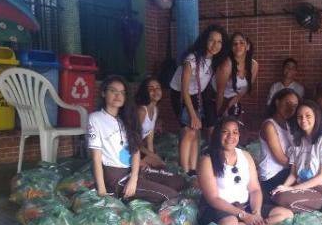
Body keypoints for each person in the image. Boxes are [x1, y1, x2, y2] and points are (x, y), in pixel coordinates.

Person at [87, 75, 184, 204]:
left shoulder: (127, 118)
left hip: (135, 171)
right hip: (117, 177)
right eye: (113, 91)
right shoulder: (96, 119)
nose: (118, 95)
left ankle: (141, 191)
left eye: (122, 92)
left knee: (179, 181)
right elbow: (96, 158)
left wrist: (134, 178)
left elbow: (135, 151)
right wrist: (102, 191)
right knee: (172, 196)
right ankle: (127, 194)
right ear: (104, 93)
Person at [198, 116, 293, 225]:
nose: (231, 136)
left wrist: (256, 213)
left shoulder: (245, 156)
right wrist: (244, 216)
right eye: (225, 132)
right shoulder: (207, 159)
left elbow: (254, 189)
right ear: (217, 134)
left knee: (286, 214)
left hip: (246, 206)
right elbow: (213, 198)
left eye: (235, 132)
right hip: (221, 209)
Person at [169, 24, 229, 175]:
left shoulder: (214, 61)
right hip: (181, 95)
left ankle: (193, 169)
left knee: (196, 132)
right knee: (189, 131)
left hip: (196, 95)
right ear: (204, 41)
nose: (215, 45)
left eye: (219, 42)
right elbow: (184, 89)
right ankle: (184, 170)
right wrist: (193, 114)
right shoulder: (192, 59)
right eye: (212, 40)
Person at [271, 100, 322, 213]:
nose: (303, 120)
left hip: (321, 190)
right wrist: (283, 187)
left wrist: (291, 189)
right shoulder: (298, 141)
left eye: (308, 116)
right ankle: (298, 209)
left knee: (282, 199)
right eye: (299, 117)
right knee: (276, 195)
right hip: (303, 188)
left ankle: (320, 208)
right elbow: (293, 174)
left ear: (316, 117)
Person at [258, 88, 299, 198]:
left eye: (294, 106)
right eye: (287, 103)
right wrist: (302, 166)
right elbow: (281, 160)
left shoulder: (288, 125)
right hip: (271, 176)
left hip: (286, 172)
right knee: (308, 179)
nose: (290, 108)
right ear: (277, 102)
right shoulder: (269, 126)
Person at [211, 32, 258, 120]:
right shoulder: (227, 65)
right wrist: (220, 114)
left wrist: (231, 103)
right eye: (235, 43)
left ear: (247, 46)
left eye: (241, 43)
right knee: (218, 126)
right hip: (214, 96)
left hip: (232, 96)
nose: (238, 46)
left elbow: (246, 87)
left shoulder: (254, 65)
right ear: (231, 48)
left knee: (235, 124)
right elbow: (219, 93)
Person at [135, 77, 165, 168]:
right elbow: (135, 141)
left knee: (160, 165)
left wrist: (152, 155)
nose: (155, 91)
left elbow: (150, 140)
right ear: (145, 92)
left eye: (158, 88)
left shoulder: (155, 110)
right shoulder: (142, 111)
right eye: (151, 89)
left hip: (137, 149)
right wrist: (153, 156)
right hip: (128, 149)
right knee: (151, 166)